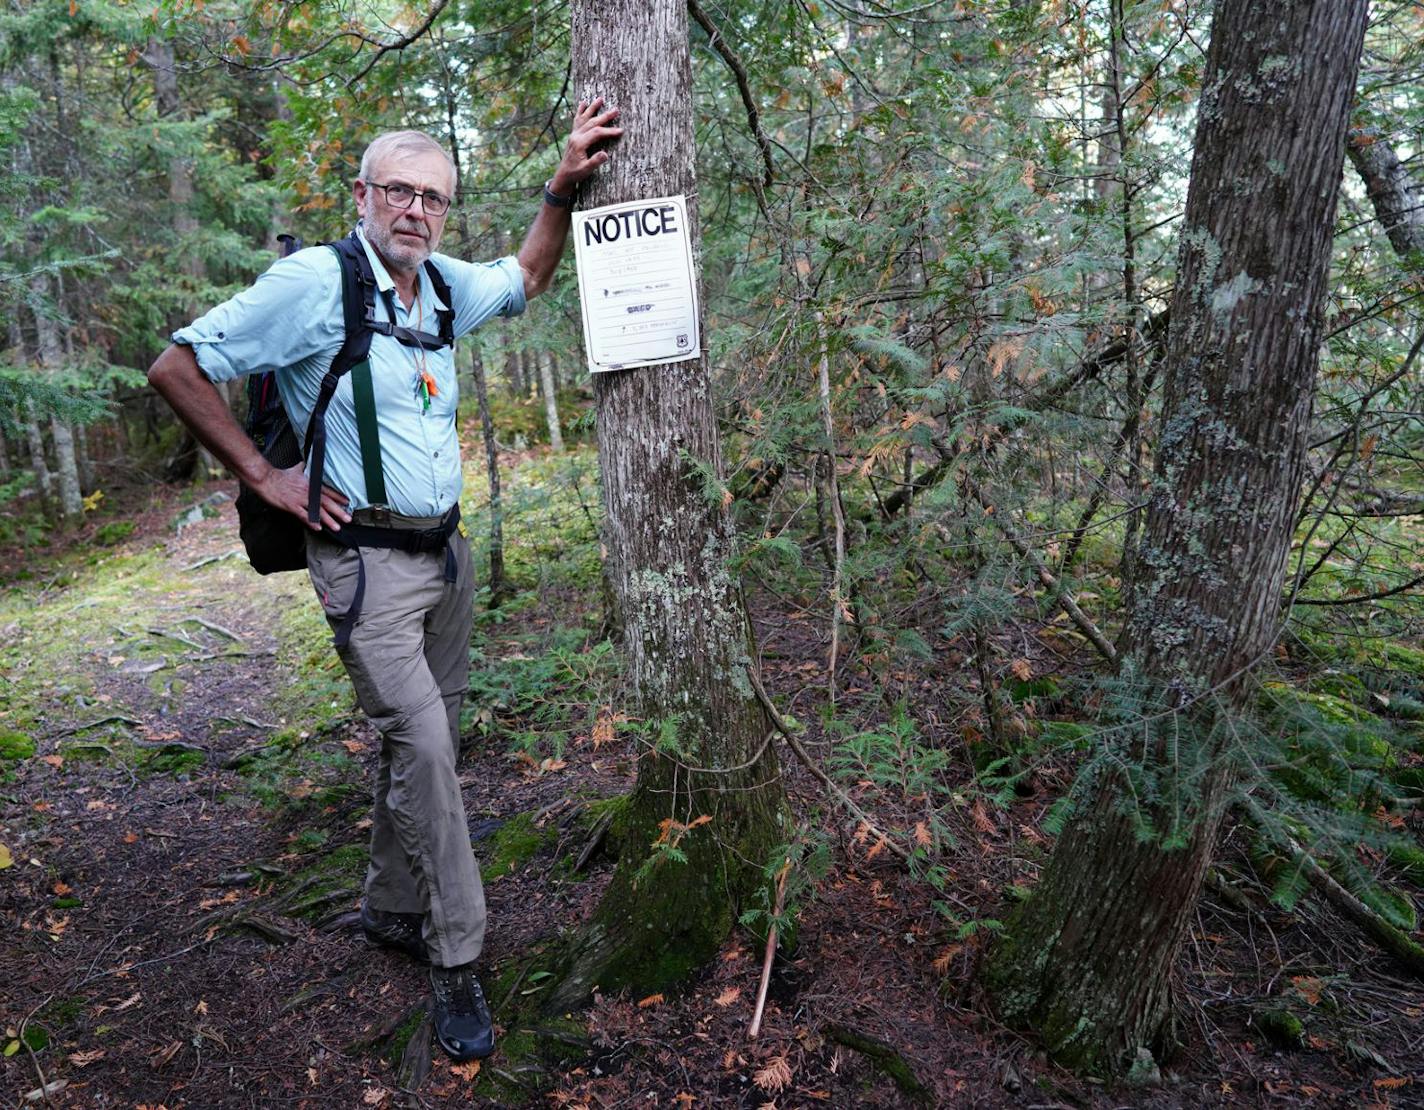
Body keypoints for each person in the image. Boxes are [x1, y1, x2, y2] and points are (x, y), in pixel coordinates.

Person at [148, 101, 622, 1062]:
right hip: (364, 569)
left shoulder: (443, 286)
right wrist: (266, 477)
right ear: (363, 196)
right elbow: (177, 366)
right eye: (398, 191)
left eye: (433, 197)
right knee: (429, 752)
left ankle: (391, 907)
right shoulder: (313, 284)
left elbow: (528, 275)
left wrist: (560, 189)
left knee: (421, 748)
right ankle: (457, 962)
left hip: (447, 560)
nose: (416, 210)